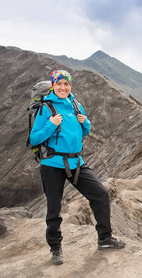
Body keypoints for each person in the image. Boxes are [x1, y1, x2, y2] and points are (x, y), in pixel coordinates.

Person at [29, 70, 125, 265]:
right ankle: (55, 248)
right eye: (59, 84)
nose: (63, 87)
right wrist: (50, 124)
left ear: (70, 86)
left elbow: (84, 131)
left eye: (66, 84)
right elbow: (34, 138)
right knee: (54, 208)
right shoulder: (46, 108)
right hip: (52, 164)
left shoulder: (75, 104)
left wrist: (86, 122)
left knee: (100, 194)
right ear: (53, 86)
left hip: (76, 162)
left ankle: (104, 238)